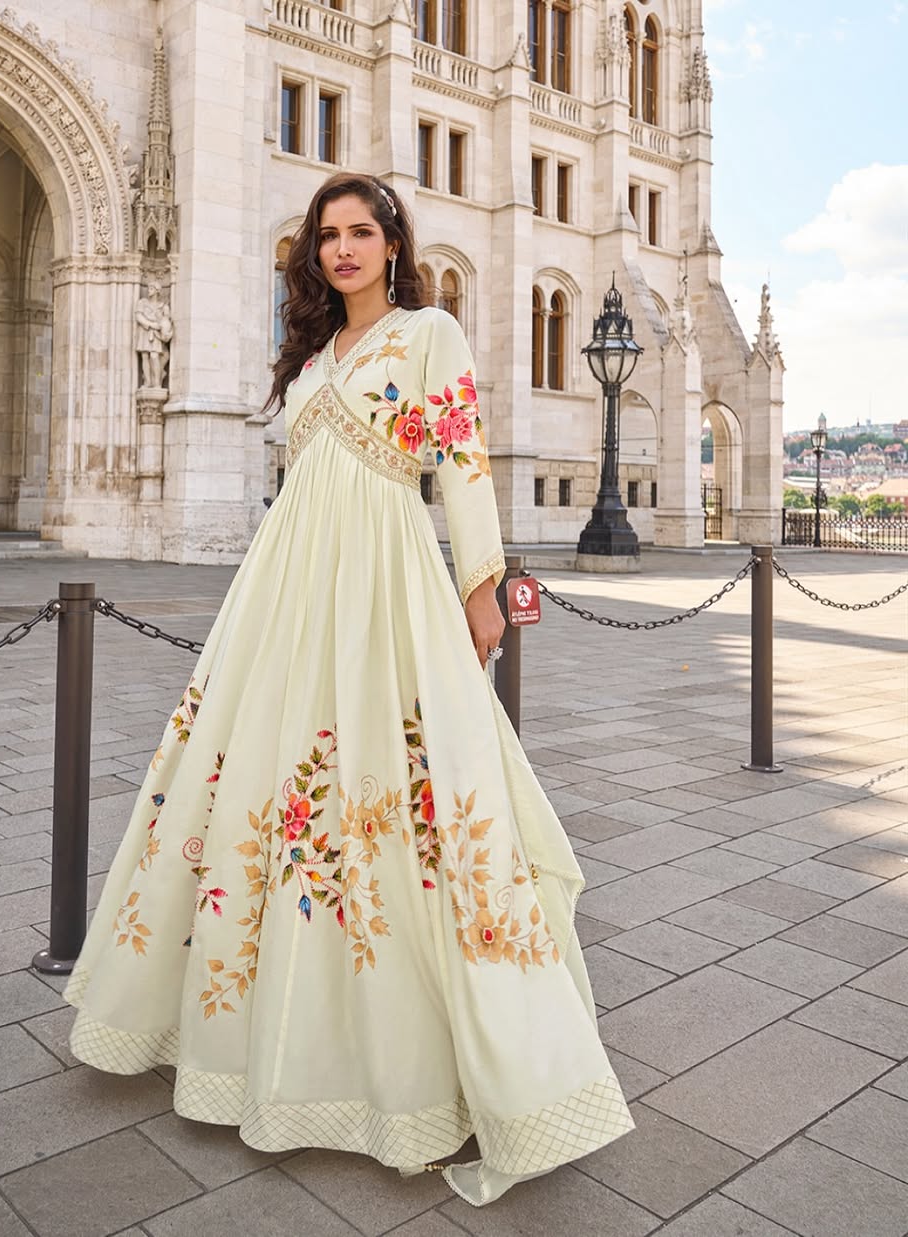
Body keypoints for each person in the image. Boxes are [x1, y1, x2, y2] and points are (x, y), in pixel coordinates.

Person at [64, 172, 633, 1206]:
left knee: (404, 794)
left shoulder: (429, 335)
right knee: (267, 786)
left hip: (383, 582)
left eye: (361, 231)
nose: (342, 248)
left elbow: (462, 463)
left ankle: (443, 1059)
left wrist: (483, 588)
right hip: (285, 589)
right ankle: (256, 1038)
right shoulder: (315, 354)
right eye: (327, 235)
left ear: (392, 241)